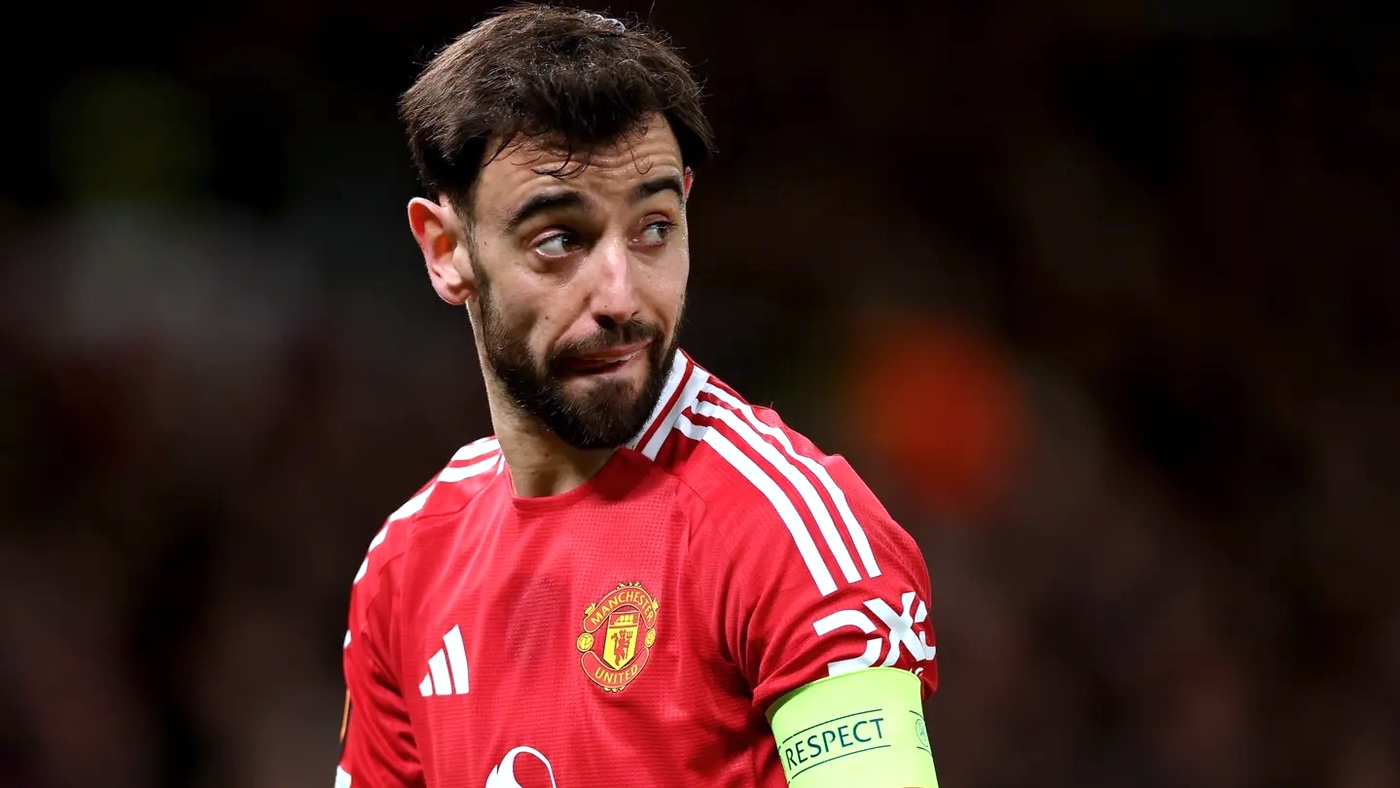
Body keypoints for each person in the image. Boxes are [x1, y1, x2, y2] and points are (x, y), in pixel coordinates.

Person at [336, 5, 940, 787]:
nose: (621, 296)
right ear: (447, 250)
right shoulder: (406, 569)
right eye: (560, 240)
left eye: (655, 227)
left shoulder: (790, 536)